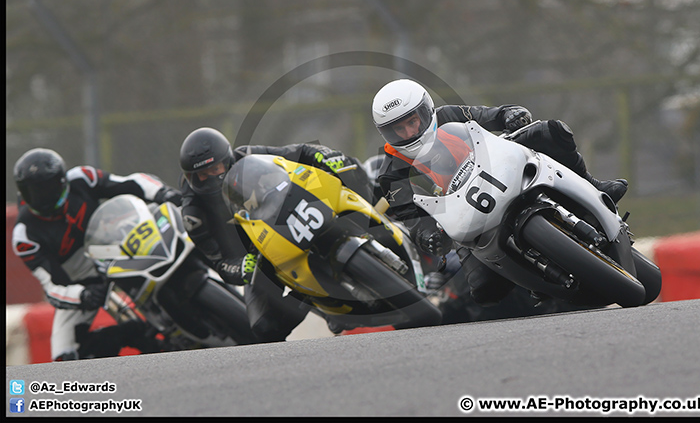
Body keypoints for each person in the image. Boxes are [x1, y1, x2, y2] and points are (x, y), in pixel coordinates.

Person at [370, 78, 628, 307]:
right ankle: (536, 281)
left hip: (499, 168)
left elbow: (488, 115)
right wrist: (428, 236)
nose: (409, 133)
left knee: (552, 132)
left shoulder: (448, 115)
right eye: (398, 129)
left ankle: (594, 186)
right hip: (466, 218)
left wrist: (510, 114)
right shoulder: (390, 172)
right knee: (485, 291)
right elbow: (411, 217)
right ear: (385, 133)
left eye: (412, 122)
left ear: (425, 111)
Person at [178, 127, 373, 341]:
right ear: (190, 177)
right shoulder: (193, 216)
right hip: (261, 254)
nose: (209, 179)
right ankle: (316, 299)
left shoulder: (248, 156)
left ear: (228, 160)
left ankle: (376, 224)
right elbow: (220, 263)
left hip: (291, 214)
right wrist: (243, 266)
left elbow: (298, 151)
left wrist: (323, 155)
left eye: (214, 169)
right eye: (201, 175)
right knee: (264, 328)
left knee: (346, 166)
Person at [11, 148, 183, 361]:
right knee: (63, 358)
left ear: (62, 180)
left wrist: (161, 192)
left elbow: (132, 183)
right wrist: (82, 295)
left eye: (48, 187)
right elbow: (52, 287)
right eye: (34, 191)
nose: (43, 197)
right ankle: (130, 334)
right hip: (84, 284)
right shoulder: (24, 235)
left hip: (123, 251)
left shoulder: (83, 178)